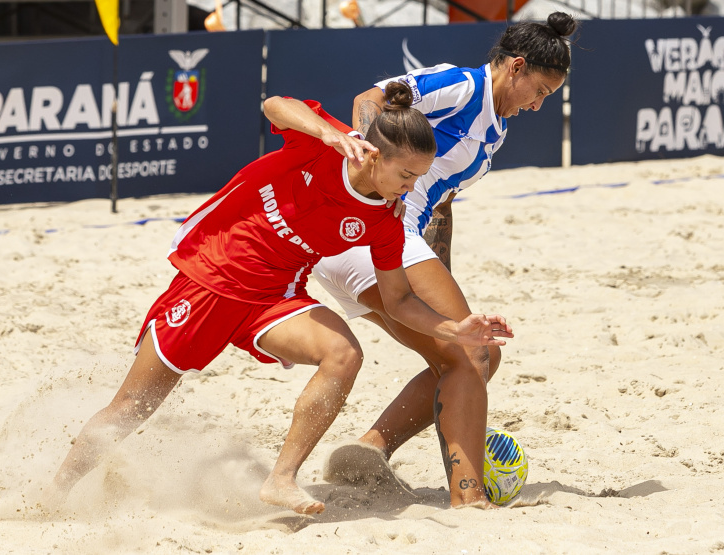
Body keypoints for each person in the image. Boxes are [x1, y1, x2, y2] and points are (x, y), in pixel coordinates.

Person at [48, 82, 513, 516]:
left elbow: (399, 301)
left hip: (275, 294)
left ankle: (282, 478)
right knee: (132, 406)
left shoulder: (386, 218)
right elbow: (274, 105)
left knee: (343, 354)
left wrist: (455, 330)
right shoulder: (324, 146)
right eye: (406, 175)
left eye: (418, 178)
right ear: (374, 155)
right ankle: (54, 492)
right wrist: (327, 132)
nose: (409, 189)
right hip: (211, 279)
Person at [314, 12, 577, 508]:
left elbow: (441, 202)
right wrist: (371, 182)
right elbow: (368, 100)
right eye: (540, 91)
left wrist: (441, 276)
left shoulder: (495, 128)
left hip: (383, 243)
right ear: (516, 67)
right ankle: (469, 499)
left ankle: (369, 451)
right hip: (366, 230)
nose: (539, 105)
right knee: (473, 353)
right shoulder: (462, 86)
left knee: (469, 352)